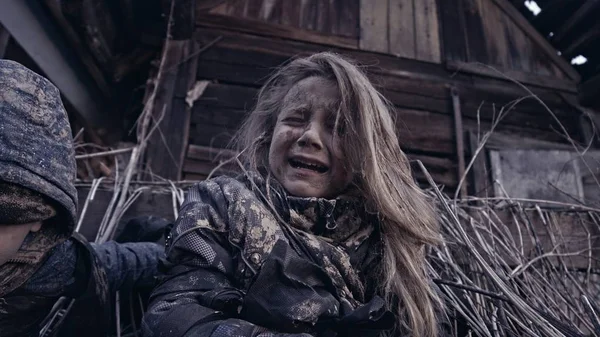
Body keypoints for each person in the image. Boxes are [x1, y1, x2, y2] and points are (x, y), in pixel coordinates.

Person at [142, 52, 444, 337]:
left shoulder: (386, 244)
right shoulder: (222, 205)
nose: (310, 136)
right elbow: (174, 314)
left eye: (337, 127)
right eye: (296, 119)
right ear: (269, 133)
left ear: (366, 153)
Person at [0, 59, 167, 337]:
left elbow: (119, 264)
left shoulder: (47, 265)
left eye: (2, 216)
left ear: (40, 219)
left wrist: (186, 255)